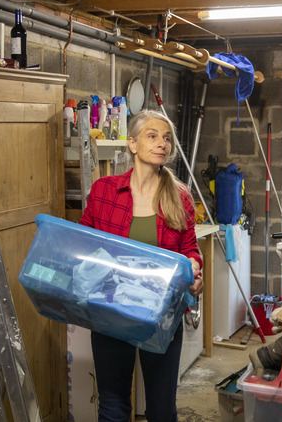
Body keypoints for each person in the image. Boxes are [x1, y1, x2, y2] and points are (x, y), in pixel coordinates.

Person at [80, 109, 203, 421]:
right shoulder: (104, 190)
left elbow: (190, 248)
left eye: (166, 138)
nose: (161, 143)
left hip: (162, 314)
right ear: (132, 144)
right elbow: (84, 247)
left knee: (162, 409)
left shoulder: (180, 196)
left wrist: (194, 269)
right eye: (152, 136)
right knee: (113, 405)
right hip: (111, 311)